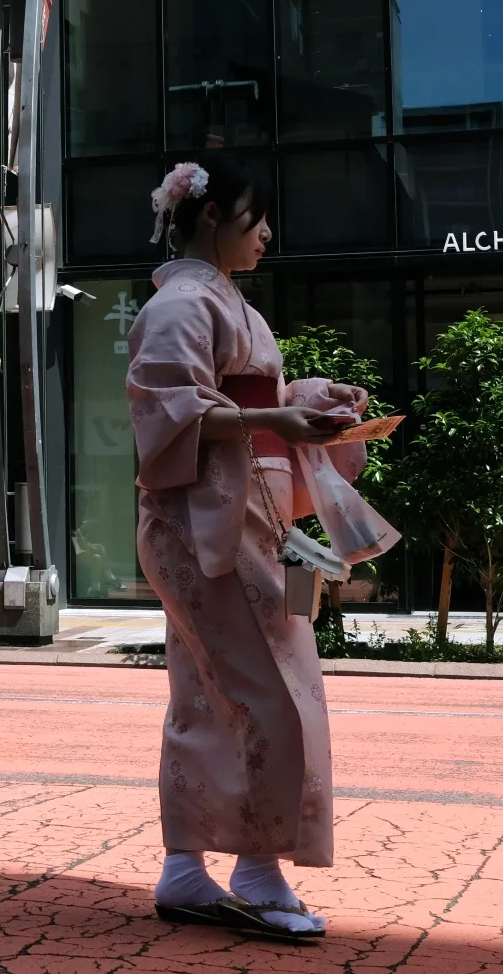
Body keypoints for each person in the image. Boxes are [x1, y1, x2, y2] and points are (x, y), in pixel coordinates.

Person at [125, 159, 370, 944]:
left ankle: (187, 867)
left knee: (205, 691)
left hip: (232, 516)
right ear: (205, 220)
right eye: (253, 217)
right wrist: (280, 422)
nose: (266, 233)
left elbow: (243, 400)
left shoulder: (213, 302)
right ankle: (259, 869)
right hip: (212, 524)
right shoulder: (186, 303)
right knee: (274, 686)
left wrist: (309, 401)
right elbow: (172, 407)